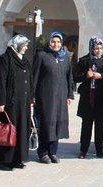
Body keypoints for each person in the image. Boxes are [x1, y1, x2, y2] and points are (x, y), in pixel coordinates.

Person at [0, 35, 32, 171]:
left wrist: (31, 99)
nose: (26, 48)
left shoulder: (24, 61)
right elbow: (0, 82)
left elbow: (30, 81)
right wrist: (0, 102)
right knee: (6, 131)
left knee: (21, 130)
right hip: (8, 104)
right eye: (24, 45)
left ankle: (17, 159)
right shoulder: (4, 59)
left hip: (22, 104)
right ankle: (3, 161)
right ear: (16, 45)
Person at [32, 32, 74, 164]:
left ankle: (53, 152)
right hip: (45, 97)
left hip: (61, 97)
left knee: (57, 124)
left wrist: (70, 95)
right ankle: (43, 153)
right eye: (53, 42)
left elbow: (69, 77)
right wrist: (32, 96)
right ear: (49, 42)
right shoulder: (42, 55)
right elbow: (35, 77)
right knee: (46, 125)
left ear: (62, 44)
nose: (56, 44)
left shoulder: (65, 57)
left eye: (58, 42)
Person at [73, 36, 103, 159]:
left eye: (101, 48)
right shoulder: (84, 60)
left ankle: (99, 150)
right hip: (88, 97)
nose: (99, 51)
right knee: (86, 124)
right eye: (96, 48)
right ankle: (83, 150)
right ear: (91, 48)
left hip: (101, 97)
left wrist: (101, 75)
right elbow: (75, 77)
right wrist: (86, 75)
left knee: (100, 124)